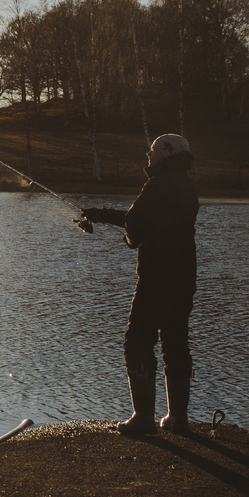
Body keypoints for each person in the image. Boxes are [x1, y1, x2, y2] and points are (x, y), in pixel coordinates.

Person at [78, 134, 198, 435]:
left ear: (165, 155)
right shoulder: (186, 187)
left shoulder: (155, 185)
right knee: (175, 343)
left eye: (152, 152)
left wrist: (130, 239)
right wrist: (101, 215)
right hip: (184, 276)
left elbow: (135, 226)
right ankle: (177, 419)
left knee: (138, 342)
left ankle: (143, 419)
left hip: (156, 276)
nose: (148, 156)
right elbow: (146, 219)